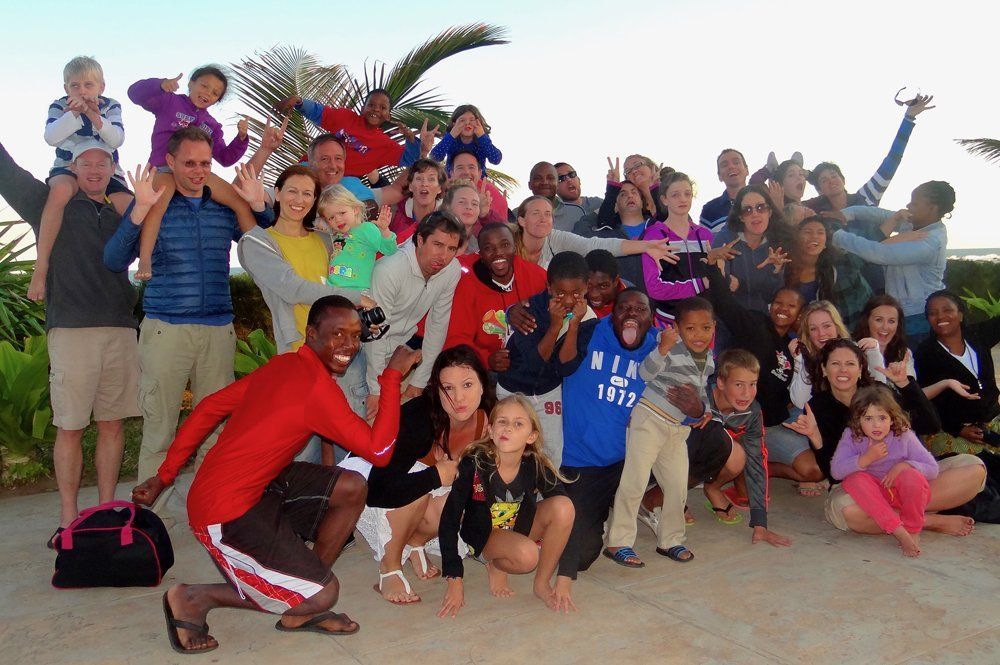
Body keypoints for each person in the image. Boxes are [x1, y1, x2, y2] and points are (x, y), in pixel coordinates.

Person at [131, 297, 422, 653]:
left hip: (260, 488)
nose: (349, 345)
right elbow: (380, 451)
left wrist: (164, 475)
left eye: (355, 335)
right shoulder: (316, 389)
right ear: (311, 334)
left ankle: (300, 603)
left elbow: (209, 407)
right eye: (337, 334)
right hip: (223, 512)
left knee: (351, 487)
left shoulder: (286, 364)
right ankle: (195, 597)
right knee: (326, 594)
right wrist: (391, 377)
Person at [103, 126, 272, 515]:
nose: (198, 171)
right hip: (166, 329)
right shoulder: (155, 201)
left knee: (216, 430)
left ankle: (209, 512)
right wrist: (138, 211)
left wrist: (260, 205)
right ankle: (150, 520)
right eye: (190, 163)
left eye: (205, 164)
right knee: (160, 429)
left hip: (218, 330)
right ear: (171, 162)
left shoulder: (221, 206)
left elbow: (269, 240)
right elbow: (113, 259)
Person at [0, 139, 139, 549]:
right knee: (71, 427)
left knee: (112, 425)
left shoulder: (122, 210)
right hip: (72, 331)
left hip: (120, 328)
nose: (94, 169)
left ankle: (107, 510)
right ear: (71, 167)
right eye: (85, 162)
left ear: (113, 169)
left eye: (103, 162)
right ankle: (67, 520)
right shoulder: (48, 203)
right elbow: (8, 173)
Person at [340, 346, 495, 604]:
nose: (459, 397)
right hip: (369, 480)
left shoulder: (489, 417)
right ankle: (389, 567)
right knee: (419, 476)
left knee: (456, 494)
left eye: (467, 385)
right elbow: (380, 489)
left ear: (482, 385)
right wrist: (435, 476)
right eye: (448, 388)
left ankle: (414, 541)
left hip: (415, 487)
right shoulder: (419, 417)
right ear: (436, 390)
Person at [786, 338, 983, 537]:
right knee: (845, 510)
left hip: (904, 480)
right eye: (835, 364)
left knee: (974, 469)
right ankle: (926, 520)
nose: (843, 370)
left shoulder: (879, 393)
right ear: (824, 369)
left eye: (850, 363)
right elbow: (834, 473)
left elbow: (930, 425)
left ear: (861, 368)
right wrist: (816, 438)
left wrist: (905, 384)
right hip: (860, 486)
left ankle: (891, 514)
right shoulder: (817, 407)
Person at [438, 395, 576, 616]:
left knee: (564, 506)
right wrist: (454, 578)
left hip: (518, 529)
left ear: (531, 436)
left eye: (518, 424)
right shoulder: (474, 463)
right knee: (528, 556)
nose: (508, 428)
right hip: (485, 537)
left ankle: (541, 583)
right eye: (502, 422)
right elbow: (449, 519)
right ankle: (495, 563)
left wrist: (565, 577)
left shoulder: (535, 464)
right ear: (491, 430)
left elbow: (567, 514)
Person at [604, 297, 717, 566]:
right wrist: (663, 349)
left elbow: (701, 390)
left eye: (705, 328)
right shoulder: (670, 346)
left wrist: (707, 409)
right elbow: (645, 373)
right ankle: (618, 541)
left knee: (677, 485)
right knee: (635, 481)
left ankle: (671, 540)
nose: (698, 335)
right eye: (690, 328)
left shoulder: (709, 358)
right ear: (676, 328)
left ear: (714, 327)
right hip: (649, 420)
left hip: (676, 429)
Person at [556, 288, 658, 579]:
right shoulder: (589, 333)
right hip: (584, 462)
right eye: (624, 308)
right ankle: (560, 508)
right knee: (579, 557)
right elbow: (557, 364)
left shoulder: (660, 347)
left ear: (652, 318)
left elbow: (685, 395)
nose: (632, 314)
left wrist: (698, 411)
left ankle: (648, 500)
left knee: (710, 439)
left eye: (640, 309)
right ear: (612, 315)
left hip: (632, 459)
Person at [127, 66, 256, 280]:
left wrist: (241, 139)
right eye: (204, 86)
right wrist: (160, 85)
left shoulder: (211, 125)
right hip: (163, 168)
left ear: (217, 100)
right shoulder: (169, 101)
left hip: (197, 172)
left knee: (239, 202)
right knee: (157, 206)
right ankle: (145, 258)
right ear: (190, 84)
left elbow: (225, 158)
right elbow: (134, 94)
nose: (207, 93)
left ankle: (261, 252)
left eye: (215, 93)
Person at [701, 264, 818, 497]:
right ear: (770, 306)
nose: (783, 309)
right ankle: (734, 471)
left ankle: (763, 469)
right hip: (742, 424)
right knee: (747, 496)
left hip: (772, 426)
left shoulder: (792, 348)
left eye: (791, 305)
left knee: (813, 470)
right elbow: (725, 305)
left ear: (799, 314)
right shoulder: (755, 324)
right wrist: (713, 268)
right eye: (778, 303)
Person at [28, 56, 131, 301]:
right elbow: (51, 137)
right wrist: (74, 114)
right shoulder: (59, 106)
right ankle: (41, 267)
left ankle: (145, 261)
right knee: (60, 192)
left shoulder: (111, 106)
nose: (82, 91)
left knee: (132, 207)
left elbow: (116, 139)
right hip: (68, 167)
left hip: (105, 171)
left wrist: (94, 115)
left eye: (88, 85)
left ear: (101, 87)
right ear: (66, 88)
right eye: (75, 85)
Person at [497, 252, 598, 467]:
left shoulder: (588, 319)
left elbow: (566, 367)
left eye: (576, 293)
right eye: (560, 293)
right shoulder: (528, 310)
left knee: (551, 455)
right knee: (506, 450)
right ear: (549, 287)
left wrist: (573, 325)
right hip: (512, 388)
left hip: (548, 392)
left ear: (587, 287)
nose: (569, 300)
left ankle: (545, 489)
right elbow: (535, 363)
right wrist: (554, 325)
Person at [364, 211, 466, 420]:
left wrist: (419, 380)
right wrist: (375, 388)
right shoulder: (390, 269)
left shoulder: (451, 270)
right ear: (420, 240)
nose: (444, 256)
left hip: (401, 355)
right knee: (366, 425)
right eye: (437, 245)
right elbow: (375, 333)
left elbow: (437, 326)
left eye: (451, 249)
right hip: (364, 354)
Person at [830, 181, 955, 344]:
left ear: (932, 208)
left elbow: (881, 253)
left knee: (913, 358)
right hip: (900, 311)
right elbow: (874, 213)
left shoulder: (931, 241)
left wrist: (837, 236)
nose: (908, 205)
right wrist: (844, 214)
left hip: (918, 315)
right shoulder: (913, 224)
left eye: (915, 203)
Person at [831, 386, 939, 557]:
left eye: (882, 418)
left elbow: (932, 468)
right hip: (873, 497)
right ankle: (898, 530)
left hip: (900, 494)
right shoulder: (852, 436)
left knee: (912, 476)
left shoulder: (903, 435)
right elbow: (836, 471)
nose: (876, 425)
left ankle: (913, 529)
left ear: (892, 418)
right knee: (854, 479)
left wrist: (905, 465)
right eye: (868, 418)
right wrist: (866, 459)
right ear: (858, 420)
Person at [803, 94, 935, 213]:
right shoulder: (815, 214)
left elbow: (893, 159)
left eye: (834, 176)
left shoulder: (867, 196)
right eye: (824, 180)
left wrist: (908, 118)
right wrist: (803, 174)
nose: (831, 181)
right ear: (820, 190)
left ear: (843, 180)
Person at [444, 224, 548, 371]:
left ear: (515, 247)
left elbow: (562, 311)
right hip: (484, 370)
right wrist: (486, 360)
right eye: (488, 248)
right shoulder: (467, 285)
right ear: (480, 254)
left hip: (531, 366)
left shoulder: (537, 276)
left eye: (505, 245)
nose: (498, 253)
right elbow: (456, 339)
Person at [916, 290, 1000, 456]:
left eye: (947, 310)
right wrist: (958, 429)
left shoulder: (978, 335)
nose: (940, 317)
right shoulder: (925, 353)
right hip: (949, 430)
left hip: (992, 420)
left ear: (960, 314)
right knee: (975, 464)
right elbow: (925, 401)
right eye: (933, 313)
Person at [275, 89, 420, 177]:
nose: (376, 109)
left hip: (342, 182)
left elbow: (409, 159)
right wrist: (299, 101)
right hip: (312, 168)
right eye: (371, 105)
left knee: (359, 196)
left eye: (383, 108)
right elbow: (319, 113)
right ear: (362, 109)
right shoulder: (346, 117)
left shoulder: (385, 145)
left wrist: (411, 139)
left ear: (388, 116)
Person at [641, 172, 722, 326]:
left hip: (703, 323)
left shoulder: (705, 235)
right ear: (664, 199)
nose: (683, 199)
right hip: (669, 322)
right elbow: (654, 288)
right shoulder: (654, 235)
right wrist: (699, 284)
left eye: (687, 194)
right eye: (675, 195)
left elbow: (717, 276)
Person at [513, 195, 678, 270]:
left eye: (547, 214)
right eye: (535, 213)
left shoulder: (555, 238)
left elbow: (594, 245)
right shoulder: (508, 243)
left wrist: (645, 246)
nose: (543, 218)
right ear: (521, 220)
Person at [712, 184, 793, 318]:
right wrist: (728, 281)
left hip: (760, 320)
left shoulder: (776, 244)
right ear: (740, 217)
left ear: (769, 212)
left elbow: (770, 297)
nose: (755, 214)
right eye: (747, 210)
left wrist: (775, 272)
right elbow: (722, 288)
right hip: (727, 319)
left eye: (761, 207)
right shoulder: (725, 239)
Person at [784, 216, 872, 330]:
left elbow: (868, 302)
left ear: (826, 242)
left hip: (842, 333)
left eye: (820, 232)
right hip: (793, 333)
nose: (814, 236)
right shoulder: (784, 267)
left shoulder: (843, 267)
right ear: (797, 239)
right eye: (808, 232)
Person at [313, 184, 396, 299]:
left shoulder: (366, 229)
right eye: (331, 218)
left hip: (357, 291)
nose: (338, 219)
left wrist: (384, 230)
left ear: (355, 209)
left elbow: (390, 250)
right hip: (332, 289)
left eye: (342, 213)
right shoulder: (335, 236)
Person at [573, 181, 655, 290]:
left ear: (641, 201)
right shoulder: (608, 235)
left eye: (634, 192)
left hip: (661, 298)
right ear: (616, 204)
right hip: (624, 298)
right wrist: (607, 205)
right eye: (623, 194)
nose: (630, 196)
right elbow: (580, 234)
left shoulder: (658, 228)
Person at [854, 295, 915, 379]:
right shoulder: (852, 350)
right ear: (866, 320)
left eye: (891, 321)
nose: (885, 327)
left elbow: (912, 387)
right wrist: (873, 351)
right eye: (879, 320)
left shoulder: (903, 352)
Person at [429, 104, 502, 174]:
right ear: (454, 124)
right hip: (453, 180)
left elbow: (496, 159)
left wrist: (482, 136)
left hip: (477, 180)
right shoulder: (450, 139)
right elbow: (434, 157)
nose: (467, 123)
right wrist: (451, 136)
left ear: (479, 122)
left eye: (472, 120)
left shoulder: (483, 140)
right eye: (462, 120)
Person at [389, 158, 446, 245]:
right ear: (410, 186)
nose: (424, 184)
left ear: (439, 188)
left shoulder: (450, 215)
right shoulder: (394, 212)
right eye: (419, 178)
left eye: (431, 179)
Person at [448, 148, 509, 224]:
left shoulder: (494, 195)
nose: (466, 172)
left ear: (479, 173)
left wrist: (485, 214)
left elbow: (502, 229)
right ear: (452, 174)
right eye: (460, 168)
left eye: (471, 167)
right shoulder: (439, 190)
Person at [699, 148, 748, 233]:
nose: (731, 166)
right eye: (724, 165)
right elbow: (704, 240)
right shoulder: (709, 210)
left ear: (747, 170)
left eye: (736, 162)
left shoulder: (764, 201)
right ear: (719, 176)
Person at [552, 162, 602, 231]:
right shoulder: (554, 218)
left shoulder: (599, 203)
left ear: (579, 180)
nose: (569, 180)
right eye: (561, 178)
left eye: (571, 174)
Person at [585, 249, 627, 318]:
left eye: (603, 286)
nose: (593, 295)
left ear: (616, 281)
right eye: (588, 285)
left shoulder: (629, 305)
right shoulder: (573, 295)